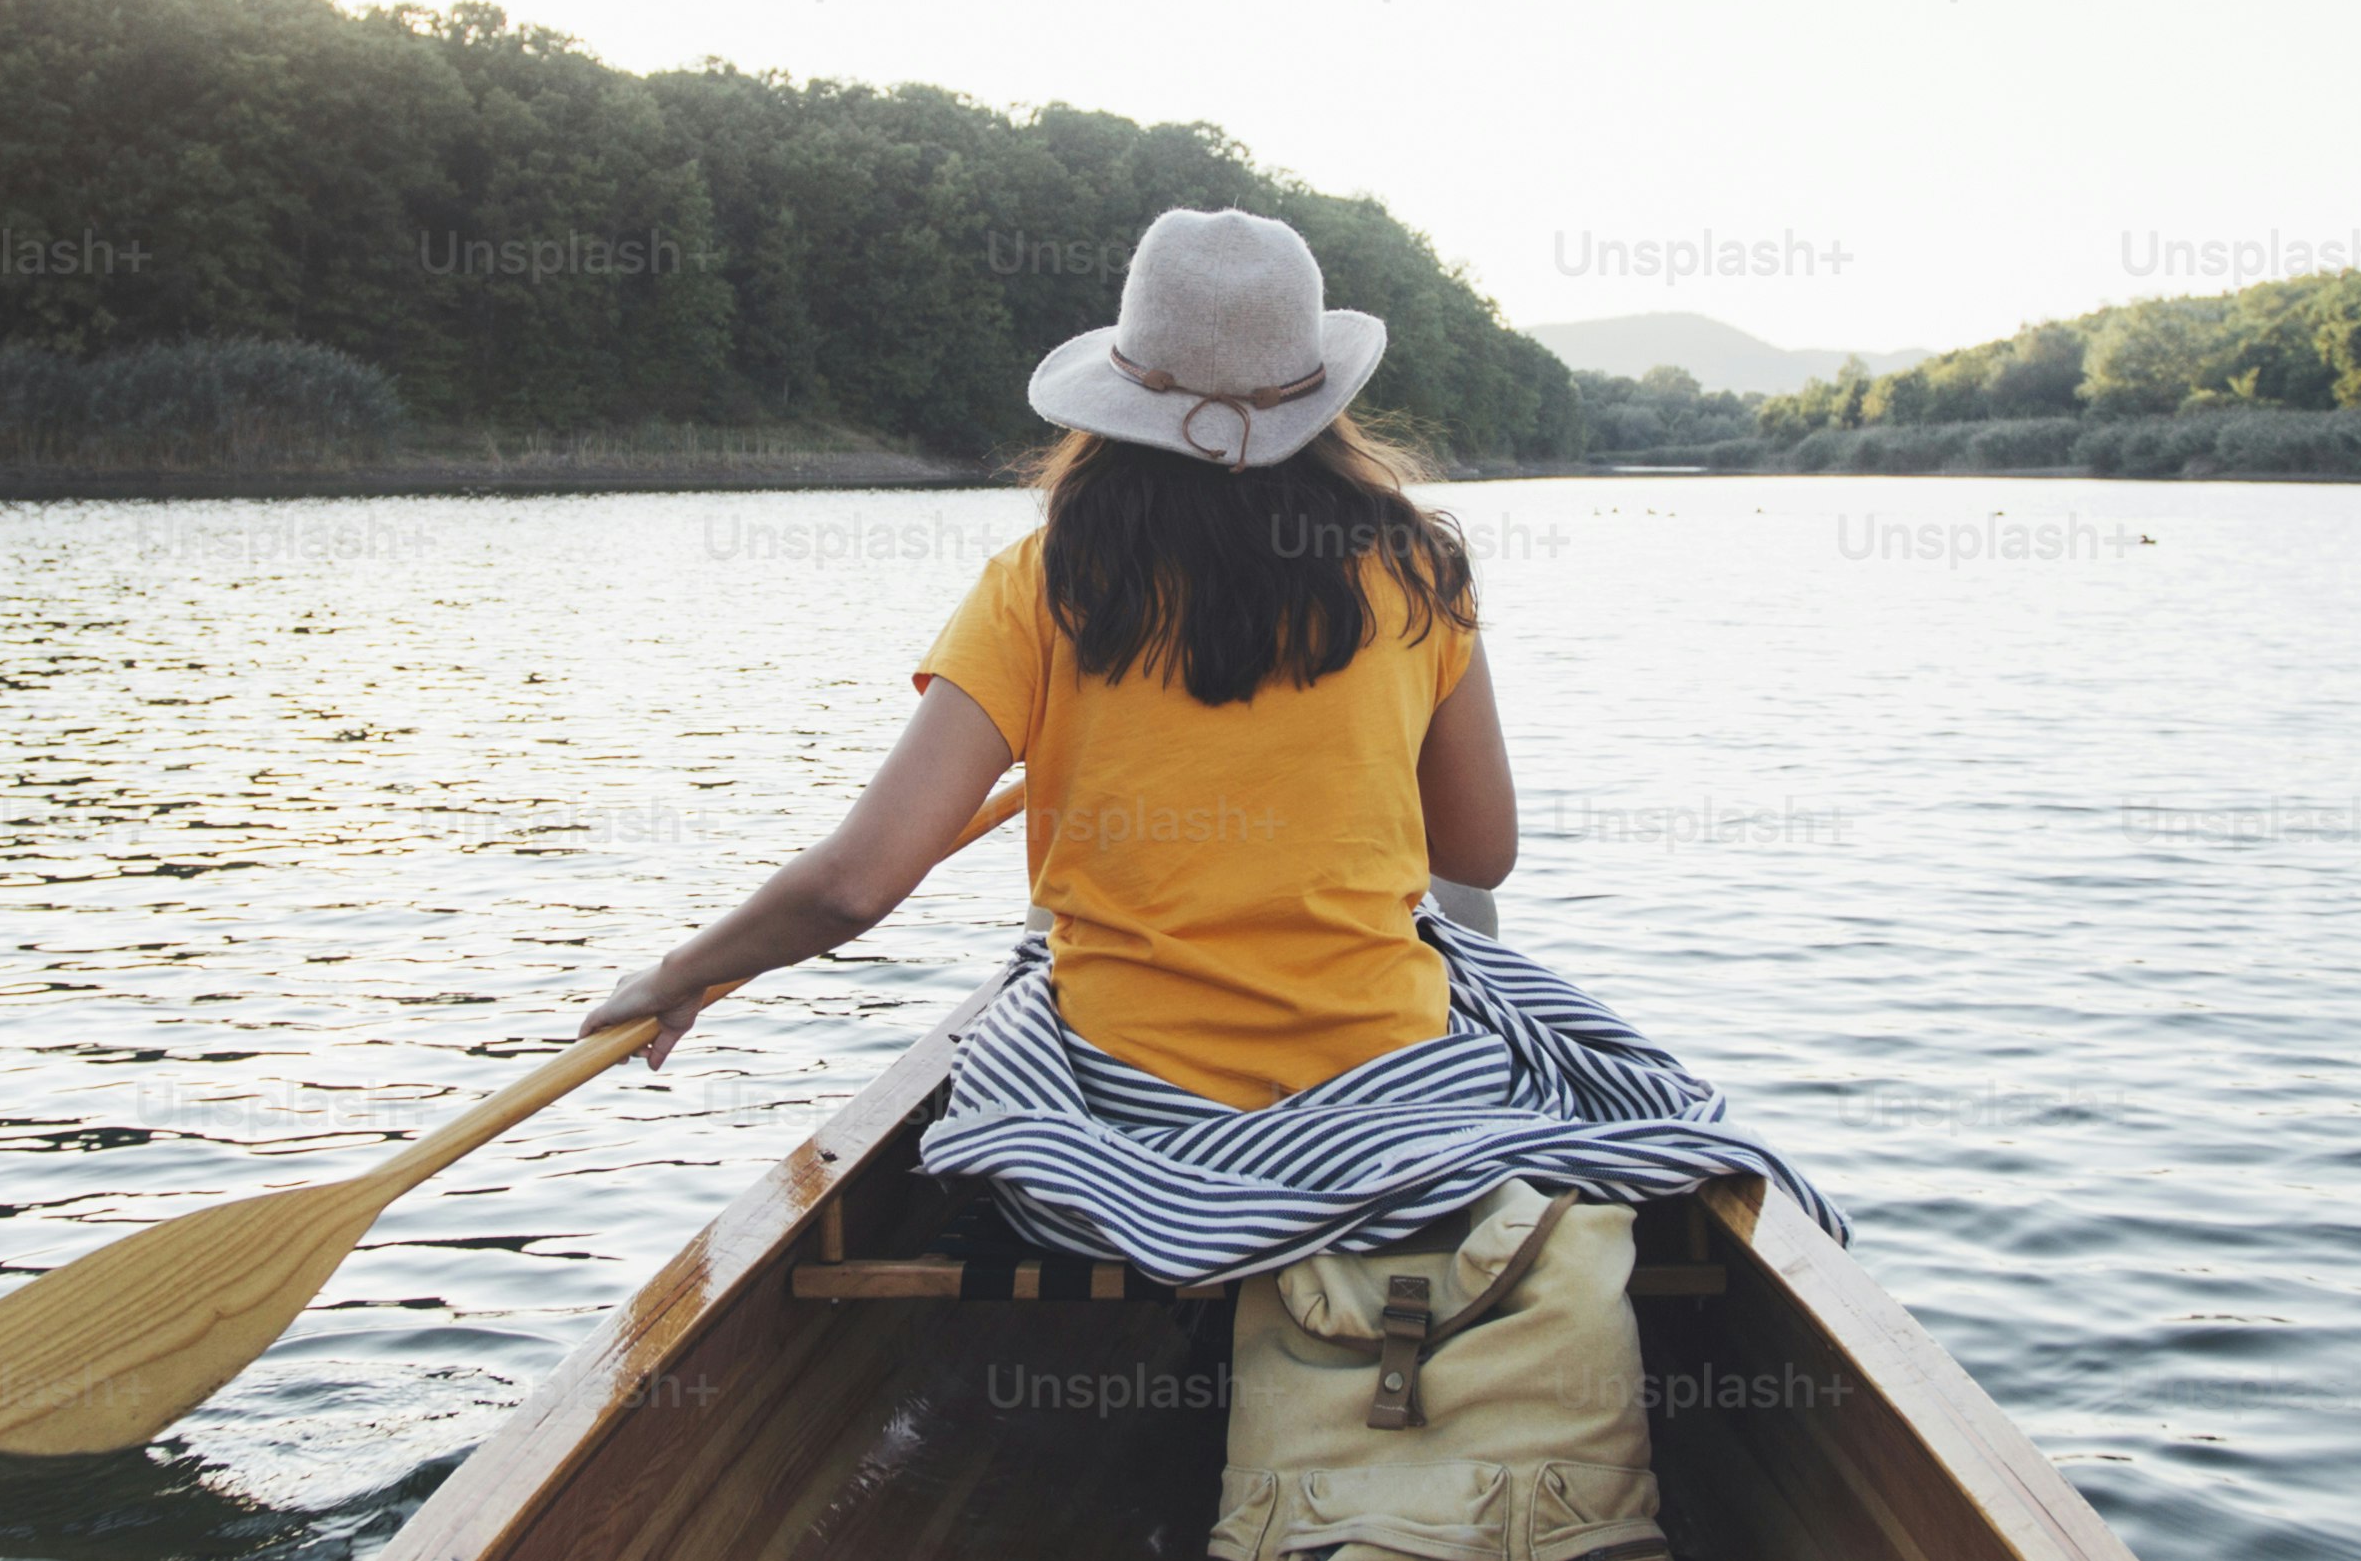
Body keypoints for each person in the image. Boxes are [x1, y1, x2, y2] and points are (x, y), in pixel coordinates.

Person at [588, 205, 1826, 1282]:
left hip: (1133, 1102)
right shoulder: (1418, 568)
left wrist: (679, 974)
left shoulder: (1039, 584)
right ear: (1318, 398)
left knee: (1023, 1007)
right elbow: (1477, 855)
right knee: (1517, 1011)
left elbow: (855, 884)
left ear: (1119, 398)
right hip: (1379, 1087)